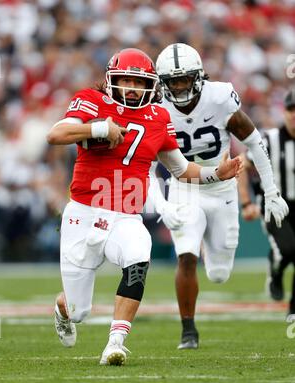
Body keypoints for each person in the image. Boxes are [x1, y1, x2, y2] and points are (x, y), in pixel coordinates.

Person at [47, 48, 242, 366]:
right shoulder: (92, 101)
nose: (132, 88)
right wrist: (99, 128)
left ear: (150, 85)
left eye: (139, 82)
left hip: (126, 215)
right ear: (112, 80)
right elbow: (55, 134)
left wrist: (215, 174)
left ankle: (115, 342)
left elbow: (182, 170)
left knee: (139, 252)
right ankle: (63, 307)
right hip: (83, 213)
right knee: (79, 310)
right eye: (126, 80)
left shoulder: (158, 117)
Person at [148, 43, 289, 349]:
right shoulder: (156, 109)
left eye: (185, 79)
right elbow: (144, 165)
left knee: (220, 274)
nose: (180, 87)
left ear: (198, 77)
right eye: (173, 82)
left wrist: (271, 190)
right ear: (163, 83)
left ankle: (214, 269)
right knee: (186, 255)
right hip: (184, 188)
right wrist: (161, 204)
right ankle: (188, 330)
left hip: (223, 187)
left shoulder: (219, 97)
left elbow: (254, 142)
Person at [239, 89, 295, 320]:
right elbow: (242, 164)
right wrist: (245, 203)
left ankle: (293, 309)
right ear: (284, 111)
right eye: (291, 110)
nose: (294, 115)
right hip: (275, 207)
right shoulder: (269, 139)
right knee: (289, 250)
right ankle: (275, 271)